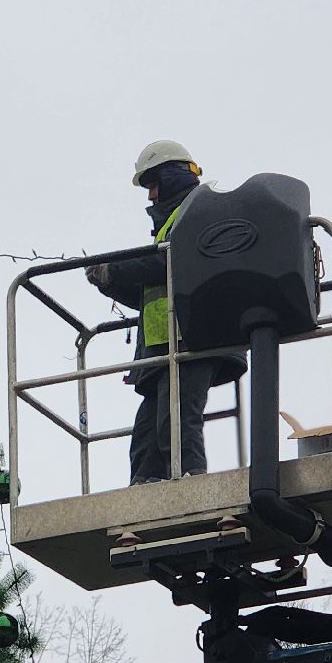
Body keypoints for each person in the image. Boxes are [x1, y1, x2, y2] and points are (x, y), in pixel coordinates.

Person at [86, 141, 246, 484]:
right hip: (165, 347)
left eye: (153, 185)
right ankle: (143, 493)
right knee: (147, 434)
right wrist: (108, 281)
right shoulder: (171, 224)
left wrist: (117, 268)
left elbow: (173, 262)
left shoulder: (201, 211)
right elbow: (155, 290)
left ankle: (191, 482)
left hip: (195, 337)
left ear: (172, 176)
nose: (150, 196)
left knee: (175, 420)